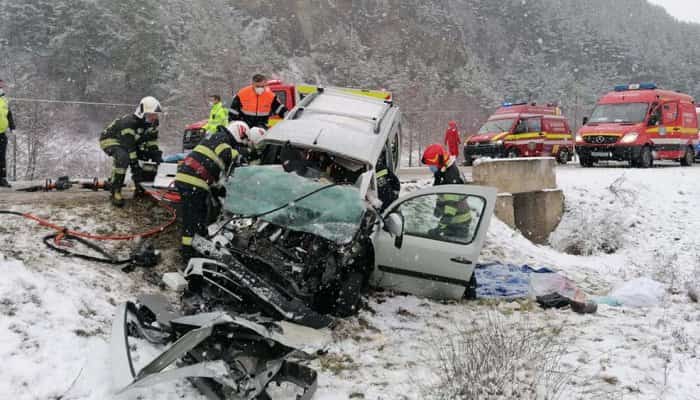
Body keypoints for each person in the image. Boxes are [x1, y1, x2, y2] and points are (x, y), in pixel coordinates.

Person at [174, 124, 240, 261]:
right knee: (193, 219)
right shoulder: (222, 138)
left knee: (198, 215)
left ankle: (195, 246)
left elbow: (213, 170)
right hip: (193, 181)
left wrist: (221, 191)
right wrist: (239, 156)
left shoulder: (215, 137)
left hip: (191, 179)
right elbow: (226, 154)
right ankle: (187, 252)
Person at [99, 96, 162, 207]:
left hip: (129, 143)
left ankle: (140, 188)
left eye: (155, 114)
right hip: (111, 139)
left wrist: (156, 155)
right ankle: (115, 190)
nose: (154, 117)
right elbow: (129, 147)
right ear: (143, 112)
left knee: (145, 157)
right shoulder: (129, 122)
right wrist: (135, 166)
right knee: (123, 157)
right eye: (151, 114)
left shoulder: (153, 123)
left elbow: (152, 141)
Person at [421, 143, 471, 239]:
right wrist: (439, 208)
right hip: (453, 219)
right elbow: (443, 195)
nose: (430, 167)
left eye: (432, 164)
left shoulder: (450, 177)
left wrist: (440, 228)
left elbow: (450, 208)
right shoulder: (442, 172)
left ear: (440, 161)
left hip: (458, 222)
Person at [0, 79, 16, 188]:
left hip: (1, 133)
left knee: (1, 157)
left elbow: (9, 114)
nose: (2, 86)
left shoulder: (4, 98)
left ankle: (1, 179)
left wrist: (12, 127)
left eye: (2, 85)